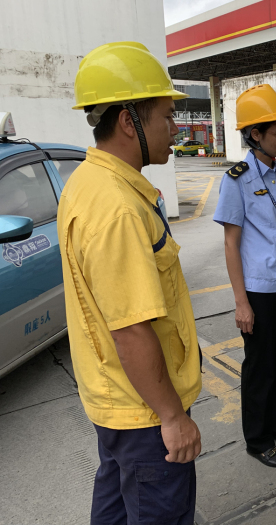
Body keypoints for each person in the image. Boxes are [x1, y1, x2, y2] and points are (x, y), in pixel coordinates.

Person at [57, 42, 202, 524]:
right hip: (144, 413)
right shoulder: (117, 208)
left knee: (117, 509)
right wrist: (172, 417)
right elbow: (131, 329)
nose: (176, 128)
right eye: (167, 116)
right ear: (127, 121)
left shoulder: (87, 182)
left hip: (116, 402)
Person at [213, 84, 276, 468]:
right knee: (260, 367)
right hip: (259, 291)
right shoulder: (237, 180)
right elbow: (230, 244)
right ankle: (257, 440)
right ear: (255, 134)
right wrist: (241, 303)